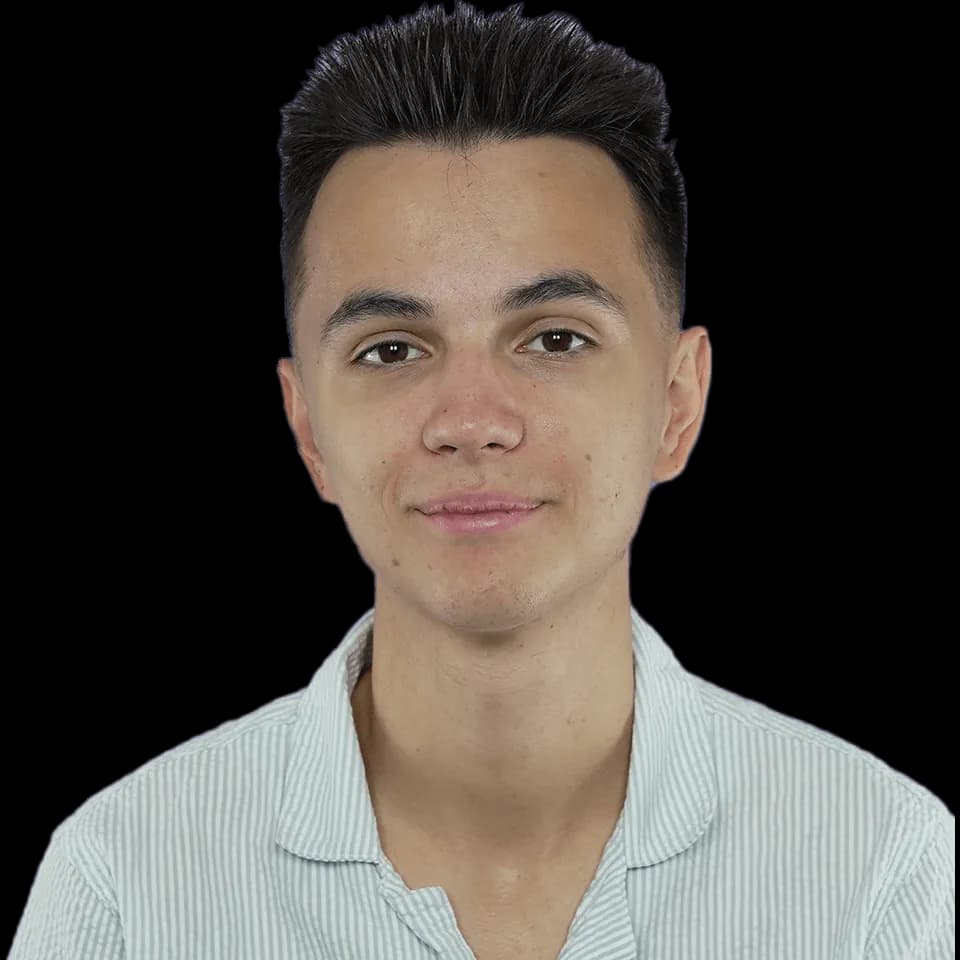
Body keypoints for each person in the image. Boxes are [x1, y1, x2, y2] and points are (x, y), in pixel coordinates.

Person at [11, 2, 954, 958]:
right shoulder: (127, 883)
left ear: (677, 403)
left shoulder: (882, 870)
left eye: (556, 339)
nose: (471, 422)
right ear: (307, 429)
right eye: (390, 349)